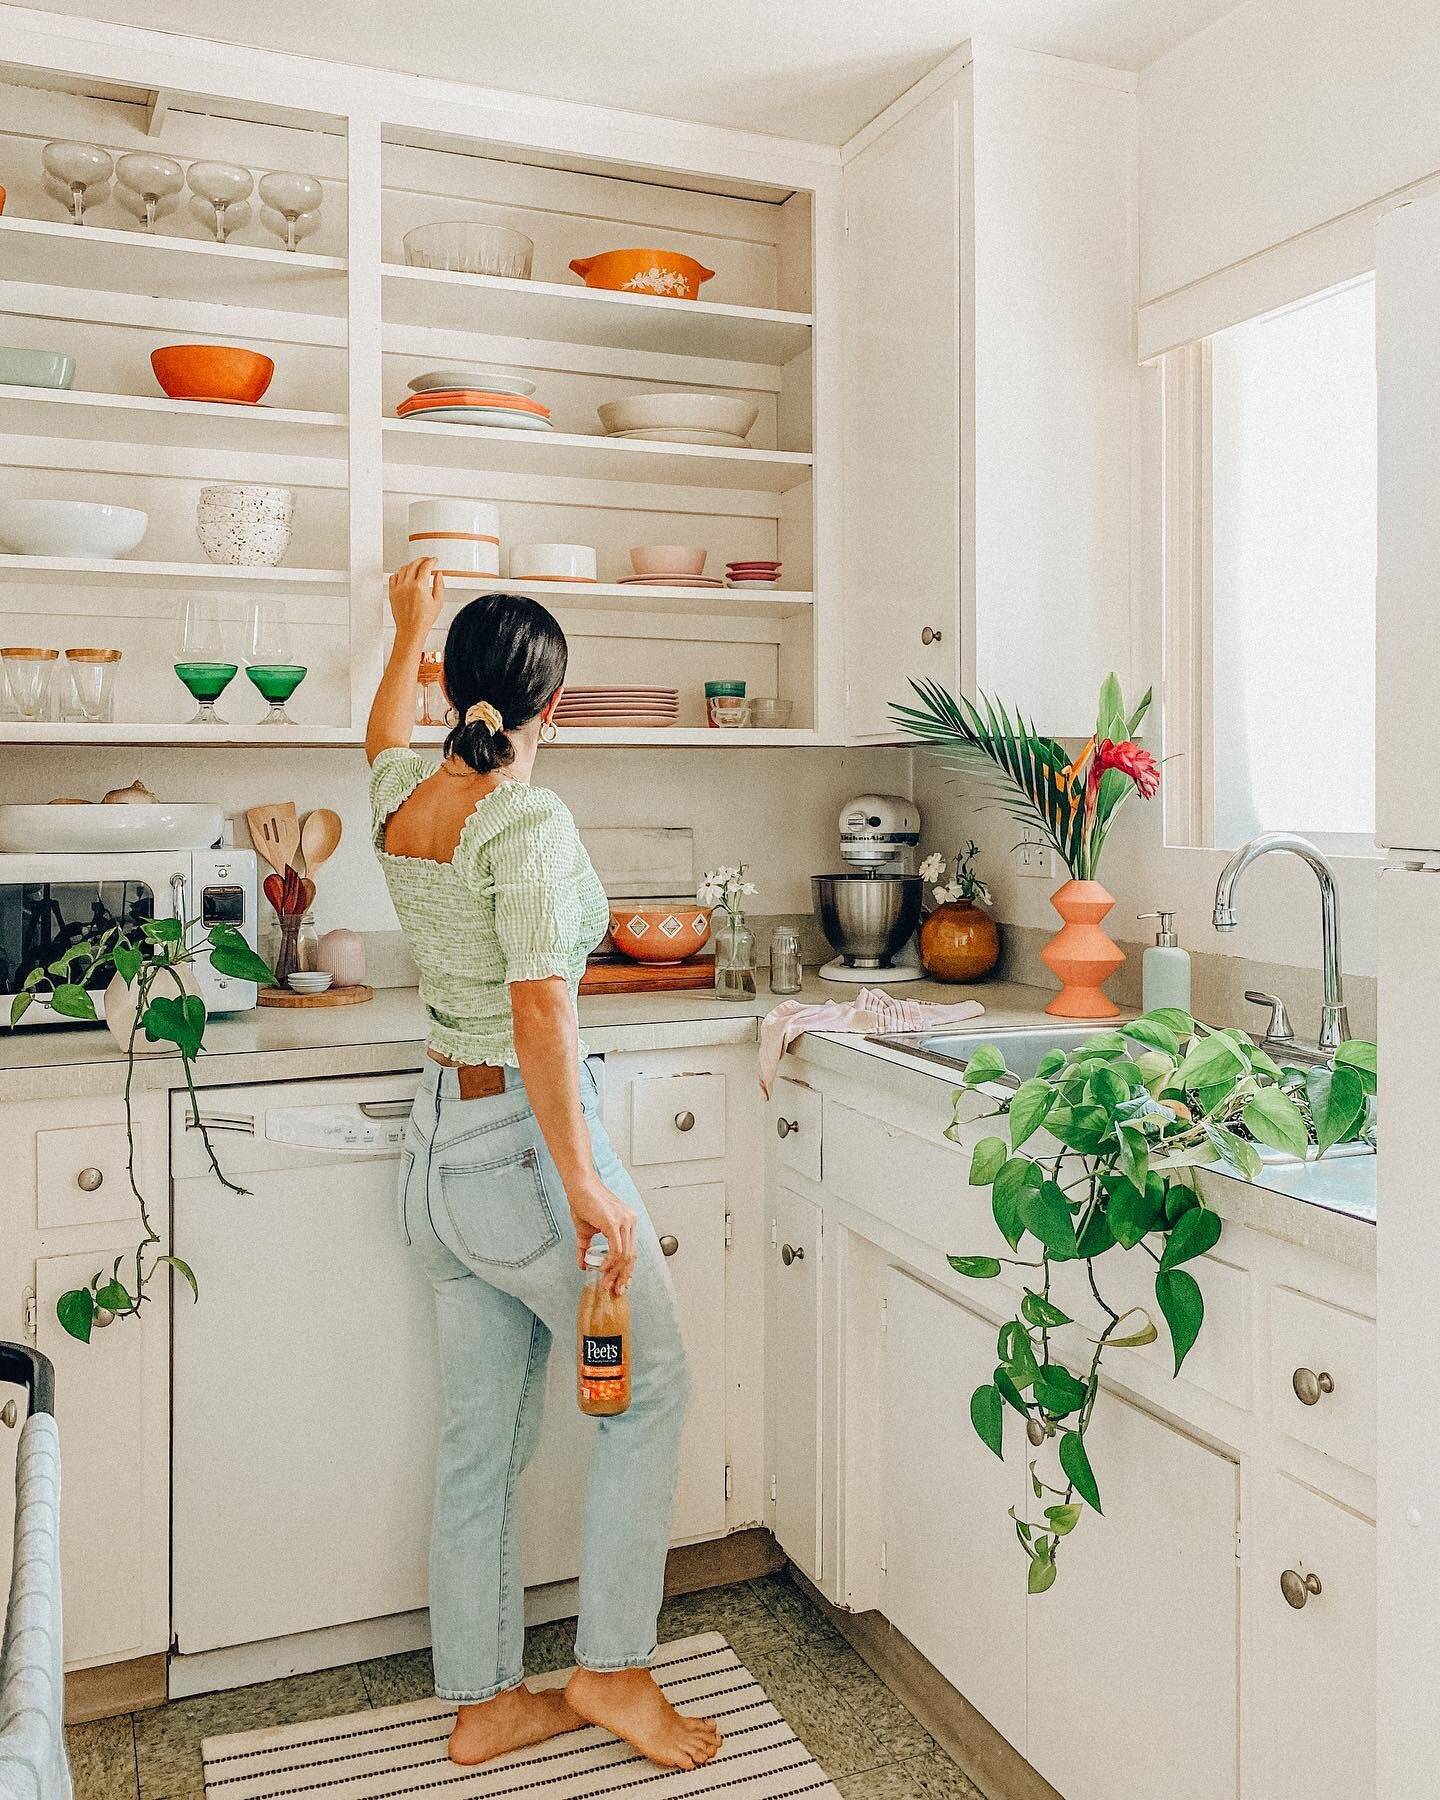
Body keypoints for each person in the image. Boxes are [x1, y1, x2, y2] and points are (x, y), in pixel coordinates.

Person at [365, 559, 720, 1772]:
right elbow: (543, 1016)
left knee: (482, 1434)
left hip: (434, 1157)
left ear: (451, 693)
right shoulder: (526, 822)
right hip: (520, 1151)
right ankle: (614, 1674)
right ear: (551, 708)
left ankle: (483, 1700)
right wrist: (588, 1186)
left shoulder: (405, 799)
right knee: (653, 1390)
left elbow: (381, 734)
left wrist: (406, 630)